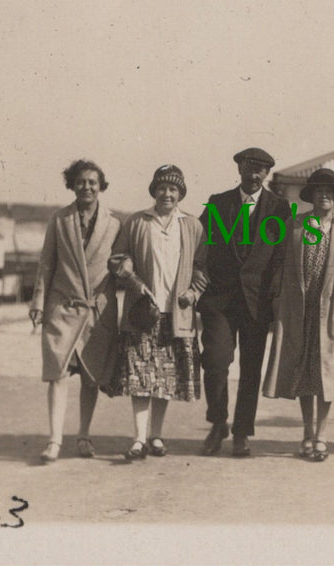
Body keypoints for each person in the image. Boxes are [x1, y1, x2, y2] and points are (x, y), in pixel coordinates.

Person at [106, 165, 208, 460]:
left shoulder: (192, 226)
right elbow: (118, 259)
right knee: (139, 376)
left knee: (165, 378)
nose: (167, 194)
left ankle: (156, 436)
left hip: (175, 313)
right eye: (162, 188)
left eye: (173, 189)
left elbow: (202, 268)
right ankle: (138, 439)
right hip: (143, 311)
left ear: (181, 194)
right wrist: (135, 282)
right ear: (154, 191)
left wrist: (193, 293)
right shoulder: (137, 221)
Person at [262, 169, 334, 462]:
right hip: (300, 310)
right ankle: (307, 432)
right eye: (318, 191)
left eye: (329, 191)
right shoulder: (296, 225)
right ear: (311, 196)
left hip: (333, 311)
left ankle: (322, 434)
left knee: (328, 373)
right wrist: (279, 302)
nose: (324, 195)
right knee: (304, 371)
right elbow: (281, 265)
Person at [197, 148, 290, 457]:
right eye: (250, 167)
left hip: (257, 302)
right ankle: (218, 422)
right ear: (239, 168)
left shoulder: (279, 208)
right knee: (215, 360)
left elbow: (281, 257)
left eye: (262, 169)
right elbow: (198, 243)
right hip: (219, 300)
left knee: (251, 370)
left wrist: (276, 298)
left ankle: (241, 431)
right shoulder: (218, 203)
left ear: (267, 175)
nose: (255, 174)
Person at [30, 159, 121, 463]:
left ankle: (83, 435)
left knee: (91, 377)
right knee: (57, 373)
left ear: (101, 186)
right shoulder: (59, 220)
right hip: (63, 307)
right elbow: (46, 263)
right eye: (81, 182)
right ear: (72, 184)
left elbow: (121, 264)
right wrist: (38, 303)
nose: (87, 187)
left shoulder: (114, 223)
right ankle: (54, 440)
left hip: (97, 310)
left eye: (93, 182)